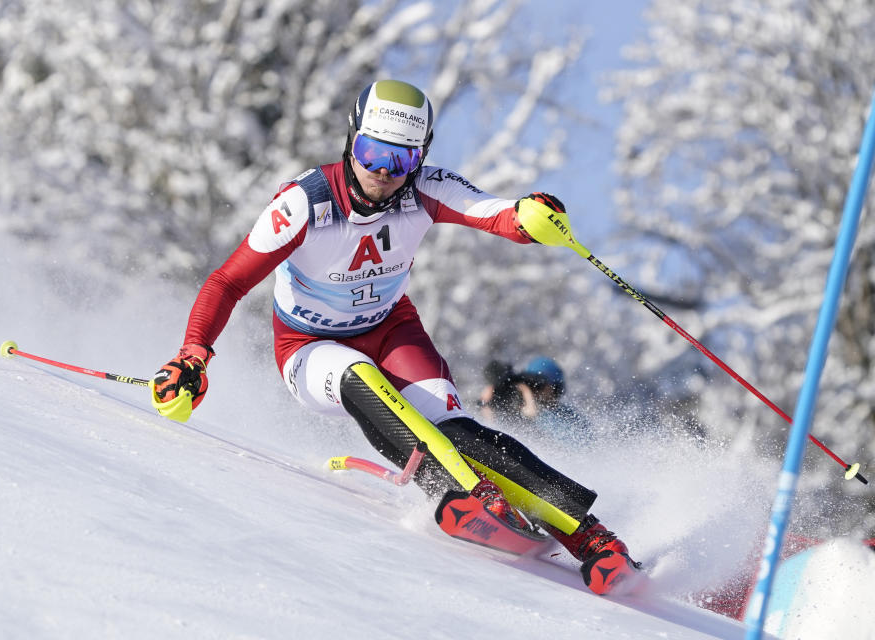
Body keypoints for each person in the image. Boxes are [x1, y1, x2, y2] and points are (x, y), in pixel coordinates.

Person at [151, 79, 639, 594]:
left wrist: (530, 217)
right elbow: (227, 281)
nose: (382, 172)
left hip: (390, 329)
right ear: (351, 140)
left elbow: (495, 214)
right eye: (371, 151)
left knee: (451, 424)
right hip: (307, 347)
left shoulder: (426, 189)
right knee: (357, 375)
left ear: (419, 157)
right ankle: (459, 489)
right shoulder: (304, 203)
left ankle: (589, 535)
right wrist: (193, 356)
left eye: (399, 160)